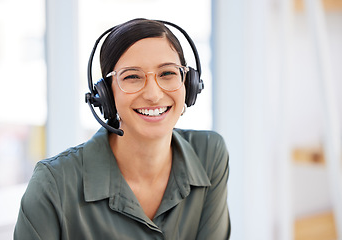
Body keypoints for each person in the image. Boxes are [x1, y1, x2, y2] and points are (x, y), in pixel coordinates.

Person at [14, 18, 230, 240]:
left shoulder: (209, 154)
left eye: (167, 73)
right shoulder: (53, 185)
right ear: (106, 95)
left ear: (190, 84)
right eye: (132, 77)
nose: (153, 95)